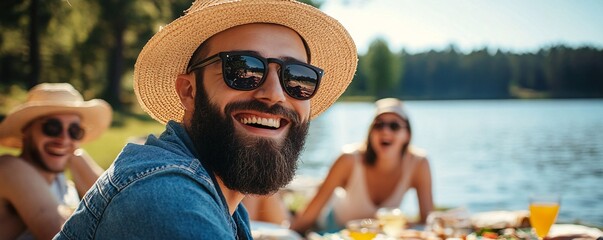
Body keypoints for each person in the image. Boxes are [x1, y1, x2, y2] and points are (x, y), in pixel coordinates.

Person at [55, 0, 357, 239]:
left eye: (297, 78)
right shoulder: (167, 197)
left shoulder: (221, 194)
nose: (275, 95)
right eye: (244, 69)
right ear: (189, 90)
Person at [290, 98, 435, 234]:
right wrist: (290, 234)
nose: (385, 131)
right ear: (370, 133)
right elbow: (311, 213)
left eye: (394, 126)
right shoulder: (349, 159)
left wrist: (405, 225)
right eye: (379, 125)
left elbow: (427, 222)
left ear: (407, 135)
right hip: (334, 228)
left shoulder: (419, 164)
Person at [0, 83, 112, 239]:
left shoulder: (62, 183)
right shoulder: (9, 169)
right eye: (52, 127)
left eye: (74, 131)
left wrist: (73, 153)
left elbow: (119, 205)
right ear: (26, 130)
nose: (64, 139)